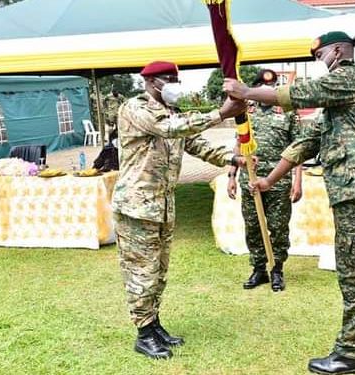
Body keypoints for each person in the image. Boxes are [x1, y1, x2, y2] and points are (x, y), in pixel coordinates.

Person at [224, 31, 355, 374]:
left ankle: (351, 354)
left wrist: (246, 92)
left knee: (354, 273)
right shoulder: (339, 104)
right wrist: (269, 180)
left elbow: (300, 93)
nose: (321, 63)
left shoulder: (352, 76)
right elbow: (306, 141)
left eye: (320, 56)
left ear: (337, 51)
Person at [112, 60, 247, 360]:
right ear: (149, 82)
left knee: (159, 272)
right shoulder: (135, 109)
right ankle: (143, 334)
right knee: (141, 271)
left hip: (162, 205)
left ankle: (154, 323)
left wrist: (231, 159)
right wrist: (221, 113)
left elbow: (197, 144)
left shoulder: (174, 112)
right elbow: (170, 130)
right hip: (137, 207)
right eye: (166, 79)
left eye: (175, 78)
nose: (172, 83)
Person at [226, 69, 303, 292]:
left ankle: (276, 269)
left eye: (271, 86)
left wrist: (298, 181)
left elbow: (297, 148)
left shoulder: (287, 111)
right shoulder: (246, 111)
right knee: (252, 225)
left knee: (278, 227)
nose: (267, 89)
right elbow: (238, 145)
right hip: (250, 179)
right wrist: (231, 176)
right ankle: (259, 268)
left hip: (278, 180)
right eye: (262, 85)